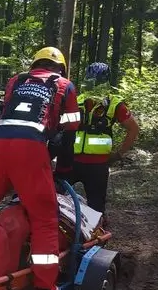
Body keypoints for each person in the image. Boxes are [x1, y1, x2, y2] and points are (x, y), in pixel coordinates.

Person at [0, 46, 80, 290]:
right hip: (31, 149)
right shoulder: (65, 86)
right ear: (60, 68)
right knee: (44, 216)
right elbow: (70, 128)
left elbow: (7, 115)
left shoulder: (16, 81)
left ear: (35, 64)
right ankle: (43, 286)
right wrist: (64, 168)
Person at [56, 62, 139, 213]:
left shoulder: (114, 104)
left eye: (98, 80)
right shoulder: (77, 99)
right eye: (91, 79)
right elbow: (62, 126)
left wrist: (120, 153)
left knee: (96, 206)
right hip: (71, 160)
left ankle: (96, 232)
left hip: (98, 164)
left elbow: (133, 129)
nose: (94, 83)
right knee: (56, 197)